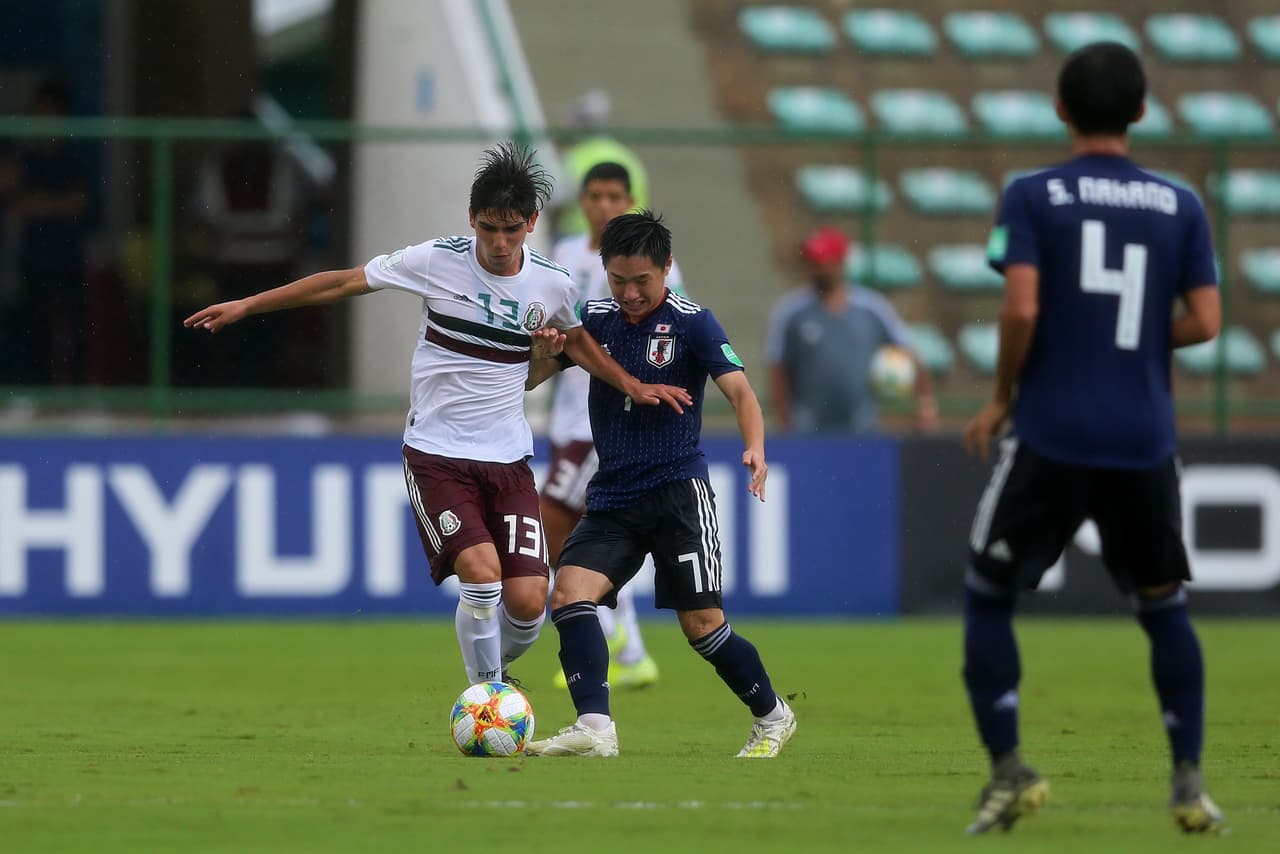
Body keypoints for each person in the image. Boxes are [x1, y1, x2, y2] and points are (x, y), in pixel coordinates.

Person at [185, 142, 691, 687]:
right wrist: (248, 304)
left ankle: (494, 671)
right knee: (480, 575)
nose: (499, 243)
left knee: (526, 603)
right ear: (471, 218)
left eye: (512, 230)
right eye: (488, 228)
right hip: (436, 454)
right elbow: (343, 281)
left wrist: (629, 384)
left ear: (532, 223)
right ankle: (486, 694)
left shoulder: (553, 283)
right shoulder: (435, 260)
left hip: (508, 457)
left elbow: (577, 342)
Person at [960, 42, 1224, 835]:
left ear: (1060, 110)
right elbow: (1208, 322)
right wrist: (1136, 342)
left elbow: (1023, 308)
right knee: (1163, 605)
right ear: (1141, 112)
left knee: (987, 593)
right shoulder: (1182, 205)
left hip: (1053, 430)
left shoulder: (1034, 195)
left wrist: (1002, 395)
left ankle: (1009, 769)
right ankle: (1187, 781)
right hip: (1144, 438)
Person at [523, 210, 795, 758]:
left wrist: (755, 447)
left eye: (642, 280)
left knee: (703, 627)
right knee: (570, 595)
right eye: (618, 280)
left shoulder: (694, 322)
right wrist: (543, 349)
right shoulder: (593, 321)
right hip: (613, 497)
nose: (630, 293)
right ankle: (595, 727)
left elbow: (742, 394)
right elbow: (531, 378)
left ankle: (773, 715)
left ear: (667, 267)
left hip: (677, 494)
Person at [543, 162, 684, 691]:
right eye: (594, 195)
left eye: (613, 196)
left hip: (609, 423)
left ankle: (603, 625)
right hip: (568, 417)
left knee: (554, 518)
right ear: (581, 202)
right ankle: (630, 649)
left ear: (629, 200)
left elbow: (671, 329)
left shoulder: (651, 266)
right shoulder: (560, 255)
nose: (602, 205)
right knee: (596, 530)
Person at [765, 226, 937, 434]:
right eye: (811, 262)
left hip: (862, 425)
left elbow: (909, 354)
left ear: (840, 262)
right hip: (807, 428)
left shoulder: (872, 308)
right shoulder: (791, 311)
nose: (816, 268)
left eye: (821, 262)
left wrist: (925, 405)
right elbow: (777, 368)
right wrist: (785, 420)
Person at [10, 77, 90, 385]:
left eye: (52, 112)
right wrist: (53, 204)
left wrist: (40, 204)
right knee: (34, 327)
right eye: (40, 111)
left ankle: (77, 391)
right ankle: (35, 390)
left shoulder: (73, 155)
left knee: (76, 327)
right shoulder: (24, 155)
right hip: (34, 257)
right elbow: (17, 202)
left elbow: (79, 204)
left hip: (68, 256)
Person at [551, 90, 649, 240]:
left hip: (582, 237)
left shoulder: (577, 157)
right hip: (627, 240)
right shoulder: (628, 157)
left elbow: (557, 199)